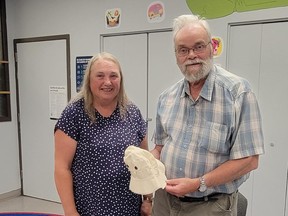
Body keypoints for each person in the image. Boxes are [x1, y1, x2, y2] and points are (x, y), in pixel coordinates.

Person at [150, 14, 265, 216]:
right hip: (164, 202)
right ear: (176, 55)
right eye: (183, 50)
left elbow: (249, 160)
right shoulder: (166, 97)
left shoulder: (238, 92)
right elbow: (160, 147)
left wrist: (198, 183)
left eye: (199, 46)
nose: (192, 55)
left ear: (211, 48)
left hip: (210, 206)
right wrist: (147, 160)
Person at [54, 52, 152, 216]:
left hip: (129, 207)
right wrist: (70, 211)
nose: (107, 82)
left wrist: (148, 200)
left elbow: (144, 162)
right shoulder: (74, 113)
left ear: (120, 79)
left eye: (113, 76)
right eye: (100, 76)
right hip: (89, 208)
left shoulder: (132, 112)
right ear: (89, 80)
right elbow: (62, 168)